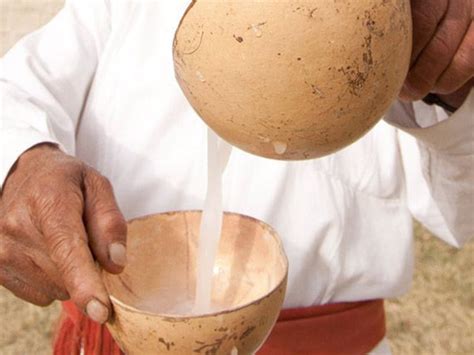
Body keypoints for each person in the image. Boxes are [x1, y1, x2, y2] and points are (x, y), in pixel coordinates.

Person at [0, 0, 472, 354]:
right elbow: (17, 92)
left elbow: (461, 213)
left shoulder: (392, 17)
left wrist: (456, 90)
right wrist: (22, 162)